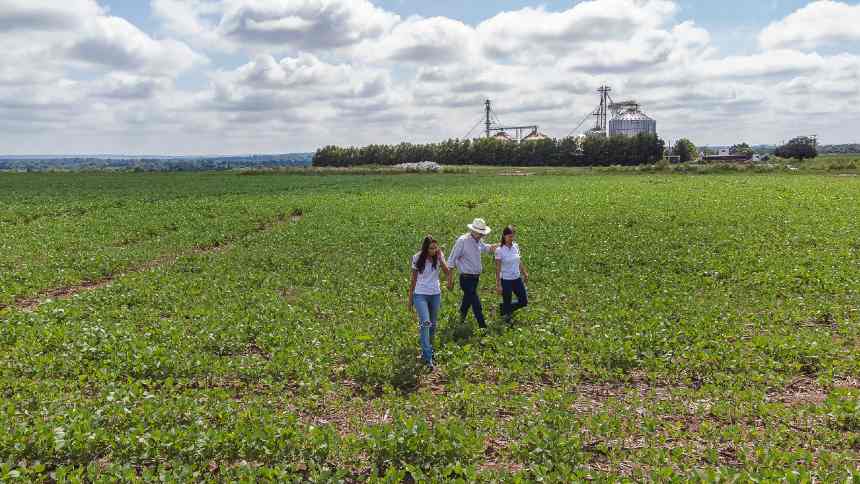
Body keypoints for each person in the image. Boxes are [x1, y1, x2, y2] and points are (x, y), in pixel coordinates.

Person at [408, 235, 452, 368]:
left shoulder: (438, 256)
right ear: (425, 248)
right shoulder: (417, 258)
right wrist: (410, 299)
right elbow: (413, 280)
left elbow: (447, 272)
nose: (434, 250)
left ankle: (430, 350)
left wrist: (440, 257)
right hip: (420, 294)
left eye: (435, 248)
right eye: (431, 248)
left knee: (432, 325)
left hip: (435, 294)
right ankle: (427, 357)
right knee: (425, 323)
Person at [448, 218, 497, 328]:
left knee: (467, 301)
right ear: (473, 231)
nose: (482, 235)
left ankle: (460, 320)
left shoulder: (478, 240)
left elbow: (487, 248)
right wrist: (450, 280)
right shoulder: (462, 241)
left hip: (475, 279)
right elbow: (451, 260)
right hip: (465, 279)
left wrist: (499, 246)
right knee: (476, 303)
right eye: (480, 233)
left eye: (482, 233)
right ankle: (483, 327)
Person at [495, 225, 529, 322]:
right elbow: (497, 269)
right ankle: (507, 318)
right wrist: (498, 285)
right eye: (509, 236)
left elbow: (519, 261)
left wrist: (525, 273)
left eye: (513, 236)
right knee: (508, 301)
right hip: (506, 280)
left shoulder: (516, 246)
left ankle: (505, 308)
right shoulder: (499, 250)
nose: (511, 238)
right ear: (504, 236)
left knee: (524, 301)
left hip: (517, 278)